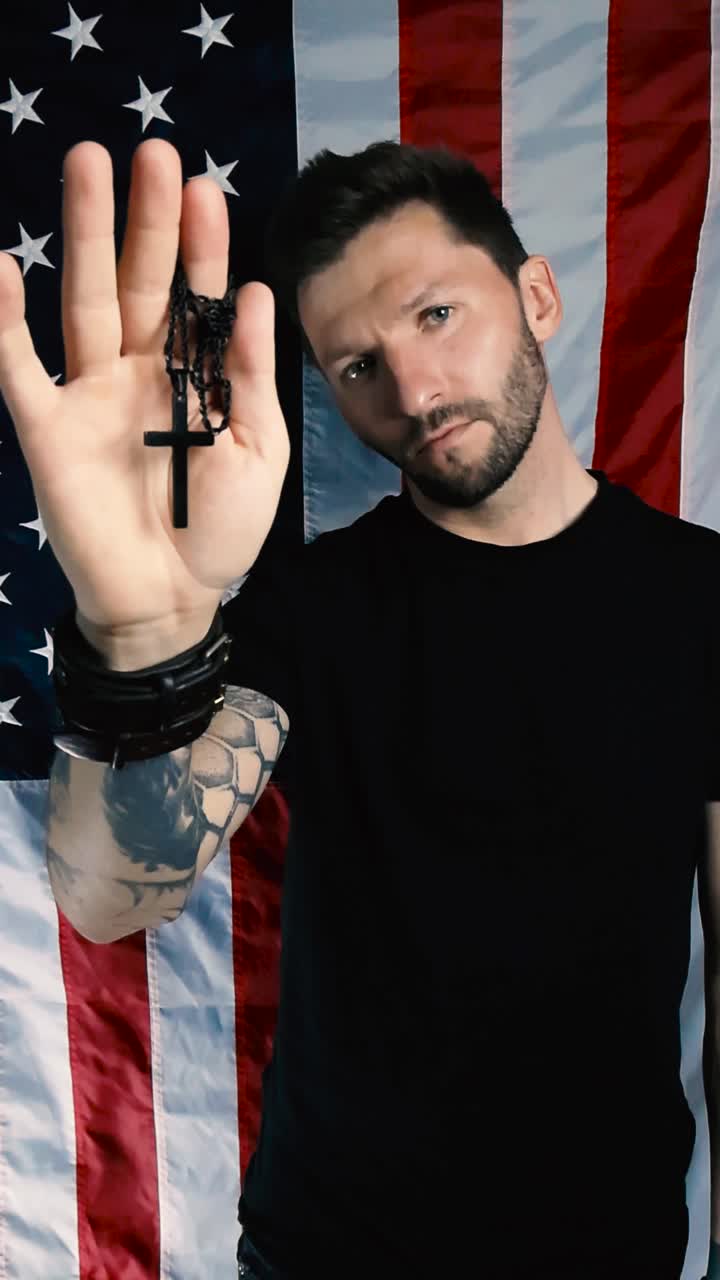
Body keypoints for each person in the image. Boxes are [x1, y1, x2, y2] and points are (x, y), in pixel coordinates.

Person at [0, 136, 718, 1280]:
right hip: (331, 1250)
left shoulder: (700, 600)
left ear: (536, 293)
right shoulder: (317, 606)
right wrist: (133, 635)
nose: (414, 390)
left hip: (615, 1249)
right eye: (356, 364)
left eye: (436, 315)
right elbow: (107, 893)